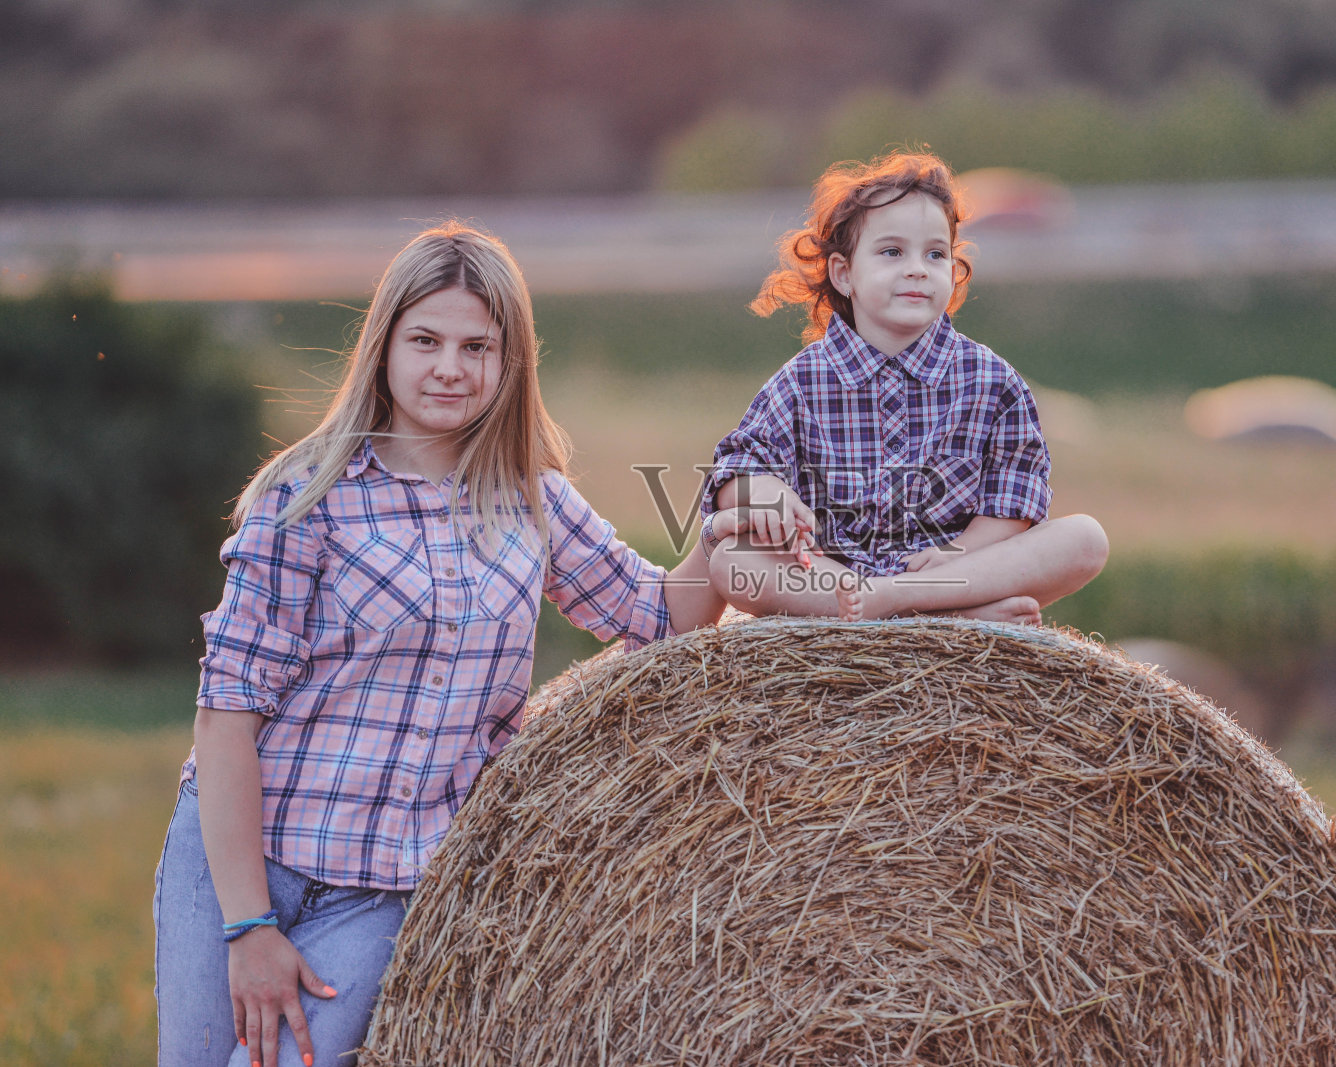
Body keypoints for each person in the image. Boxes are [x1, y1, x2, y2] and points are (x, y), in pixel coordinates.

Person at [152, 223, 772, 1067]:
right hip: (238, 855)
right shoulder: (308, 498)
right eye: (426, 341)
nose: (450, 366)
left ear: (509, 361)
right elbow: (227, 715)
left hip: (378, 893)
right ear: (383, 347)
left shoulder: (531, 499)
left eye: (477, 346)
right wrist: (249, 923)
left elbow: (657, 615)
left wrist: (730, 515)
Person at [702, 150, 1109, 623]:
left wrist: (957, 554)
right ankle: (949, 619)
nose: (917, 268)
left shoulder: (992, 381)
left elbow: (1013, 505)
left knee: (1085, 539)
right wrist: (767, 495)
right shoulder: (800, 382)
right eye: (892, 252)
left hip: (950, 570)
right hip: (838, 580)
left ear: (952, 272)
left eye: (935, 254)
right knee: (731, 558)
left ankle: (904, 601)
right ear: (843, 273)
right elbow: (736, 468)